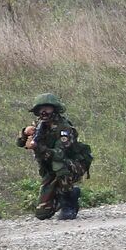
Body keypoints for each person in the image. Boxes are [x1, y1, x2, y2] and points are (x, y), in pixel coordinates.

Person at [17, 93, 92, 221]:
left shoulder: (64, 128)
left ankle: (69, 200)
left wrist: (37, 147)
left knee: (60, 166)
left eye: (47, 108)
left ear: (55, 109)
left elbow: (59, 154)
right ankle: (58, 195)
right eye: (41, 109)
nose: (44, 112)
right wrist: (25, 133)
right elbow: (19, 143)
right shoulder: (39, 126)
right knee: (42, 214)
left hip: (72, 165)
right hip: (51, 170)